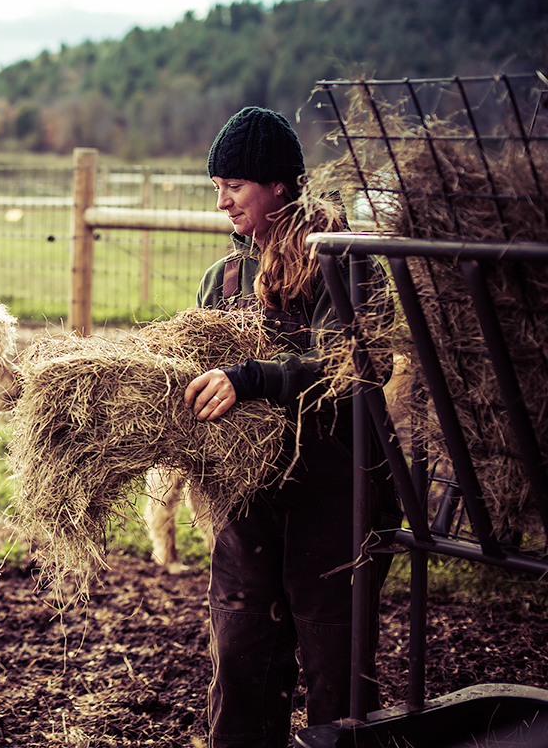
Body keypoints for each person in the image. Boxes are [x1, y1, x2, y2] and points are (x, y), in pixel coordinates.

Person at [182, 106, 396, 747]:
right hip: (249, 498)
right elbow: (200, 369)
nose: (222, 203)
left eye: (235, 186)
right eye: (216, 187)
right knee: (242, 657)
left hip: (338, 493)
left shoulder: (344, 262)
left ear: (278, 183)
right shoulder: (223, 280)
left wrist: (252, 377)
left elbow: (357, 363)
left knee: (336, 675)